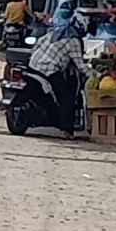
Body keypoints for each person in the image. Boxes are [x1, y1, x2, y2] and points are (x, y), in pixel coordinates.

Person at [29, 7, 87, 139]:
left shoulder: (54, 32)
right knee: (66, 97)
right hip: (49, 70)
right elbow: (80, 65)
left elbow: (38, 44)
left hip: (33, 65)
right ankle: (66, 130)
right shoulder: (73, 40)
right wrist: (96, 75)